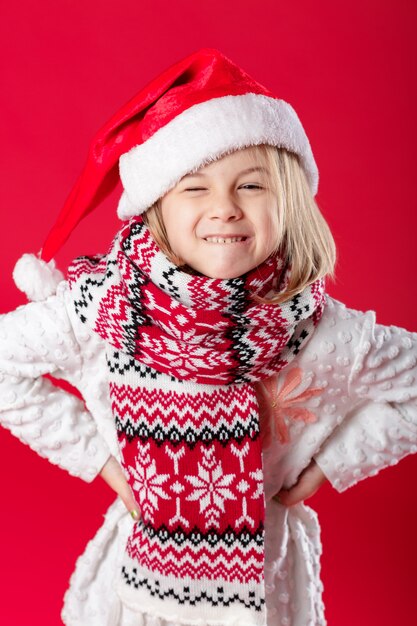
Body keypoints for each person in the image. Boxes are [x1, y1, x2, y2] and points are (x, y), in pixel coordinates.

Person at [1, 47, 416, 626]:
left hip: (264, 592)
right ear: (157, 206)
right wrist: (98, 459)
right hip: (136, 589)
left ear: (289, 200)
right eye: (194, 188)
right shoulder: (105, 311)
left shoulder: (320, 331)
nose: (223, 209)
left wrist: (336, 463)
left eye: (250, 186)